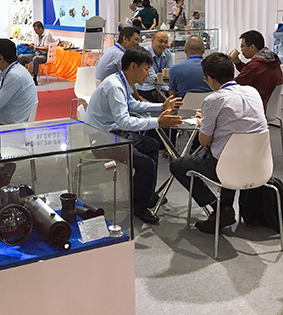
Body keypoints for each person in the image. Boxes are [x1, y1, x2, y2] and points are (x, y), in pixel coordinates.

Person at [170, 52, 267, 233]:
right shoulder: (252, 91)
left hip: (227, 167)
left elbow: (203, 140)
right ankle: (224, 209)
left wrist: (205, 123)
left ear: (210, 79)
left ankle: (218, 207)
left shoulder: (214, 99)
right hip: (259, 164)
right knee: (228, 152)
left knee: (178, 165)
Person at [84, 46, 183, 224]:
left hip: (113, 133)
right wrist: (158, 121)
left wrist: (160, 107)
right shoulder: (115, 86)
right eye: (146, 69)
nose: (148, 73)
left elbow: (133, 105)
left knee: (152, 145)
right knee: (146, 164)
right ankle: (139, 206)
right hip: (103, 139)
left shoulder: (121, 81)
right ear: (133, 67)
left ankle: (145, 194)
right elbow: (124, 122)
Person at [229, 30, 283, 110]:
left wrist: (227, 62)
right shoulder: (270, 59)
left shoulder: (257, 64)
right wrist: (238, 62)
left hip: (256, 107)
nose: (241, 50)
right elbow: (249, 72)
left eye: (242, 46)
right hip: (266, 105)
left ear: (252, 47)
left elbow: (235, 84)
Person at [137, 31, 174, 102]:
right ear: (152, 41)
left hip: (161, 86)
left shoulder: (168, 54)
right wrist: (166, 88)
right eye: (160, 41)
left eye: (165, 42)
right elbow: (150, 77)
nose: (163, 44)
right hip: (146, 87)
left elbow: (170, 73)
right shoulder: (145, 53)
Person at [17, 21, 55, 85]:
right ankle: (22, 76)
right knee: (21, 57)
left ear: (41, 28)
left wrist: (35, 47)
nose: (35, 32)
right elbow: (38, 46)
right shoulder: (38, 36)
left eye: (36, 30)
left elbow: (46, 48)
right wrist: (32, 46)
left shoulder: (47, 35)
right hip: (37, 53)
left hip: (45, 55)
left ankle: (34, 78)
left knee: (36, 59)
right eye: (34, 30)